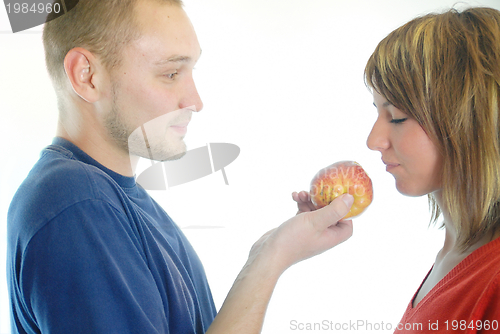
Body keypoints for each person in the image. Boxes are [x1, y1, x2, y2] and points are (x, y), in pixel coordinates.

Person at [6, 0, 355, 333]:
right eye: (171, 73)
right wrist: (271, 260)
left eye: (190, 70)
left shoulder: (113, 200)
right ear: (87, 76)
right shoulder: (78, 203)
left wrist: (267, 253)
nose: (195, 101)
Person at [366, 6, 500, 332]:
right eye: (377, 112)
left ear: (470, 121)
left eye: (396, 116)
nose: (374, 141)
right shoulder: (453, 254)